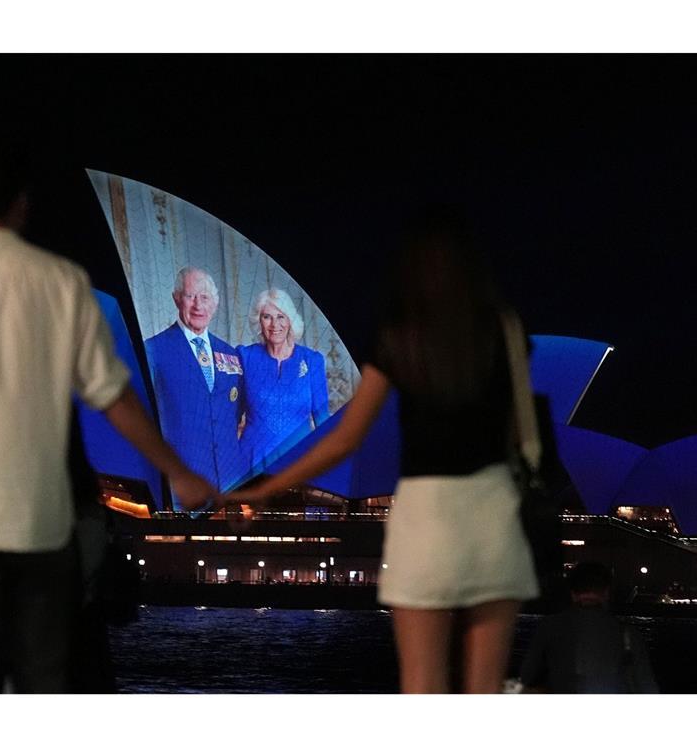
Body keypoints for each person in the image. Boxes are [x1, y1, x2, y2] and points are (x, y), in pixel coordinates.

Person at [0, 147, 214, 693]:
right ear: (23, 205)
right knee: (43, 687)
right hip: (39, 527)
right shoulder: (61, 281)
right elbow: (112, 395)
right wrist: (180, 471)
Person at [227, 212, 538, 692]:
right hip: (492, 506)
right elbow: (522, 433)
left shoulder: (399, 333)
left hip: (425, 509)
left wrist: (270, 488)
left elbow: (346, 437)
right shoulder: (503, 327)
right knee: (485, 690)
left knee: (421, 684)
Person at [144, 267, 248, 494]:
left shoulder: (230, 354)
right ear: (176, 299)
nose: (198, 306)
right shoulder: (153, 351)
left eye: (205, 297)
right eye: (191, 296)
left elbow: (235, 412)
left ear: (215, 303)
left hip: (229, 485)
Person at [520, 561, 658, 693]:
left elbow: (527, 676)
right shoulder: (627, 634)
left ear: (573, 594)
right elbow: (647, 686)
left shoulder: (549, 627)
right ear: (606, 593)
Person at [236, 288, 330, 474]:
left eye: (281, 317)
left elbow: (323, 420)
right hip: (252, 463)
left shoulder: (312, 360)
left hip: (300, 462)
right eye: (267, 317)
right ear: (259, 321)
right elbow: (232, 416)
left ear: (290, 320)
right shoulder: (245, 357)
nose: (274, 325)